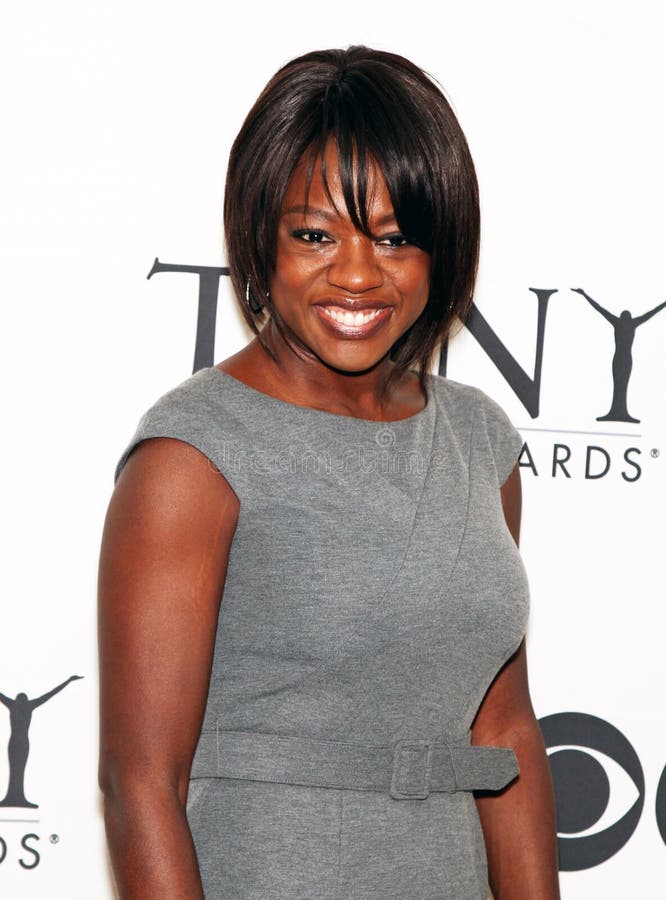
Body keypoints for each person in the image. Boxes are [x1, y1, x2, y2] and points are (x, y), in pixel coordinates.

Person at [98, 46, 560, 899]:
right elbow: (139, 784)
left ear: (442, 250)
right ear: (260, 237)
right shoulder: (194, 453)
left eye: (393, 238)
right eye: (314, 234)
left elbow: (503, 728)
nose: (355, 273)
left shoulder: (479, 441)